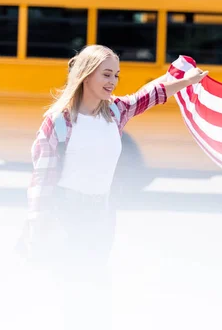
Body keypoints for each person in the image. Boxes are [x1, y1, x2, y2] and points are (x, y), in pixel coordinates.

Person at [23, 45, 208, 330]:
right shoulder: (59, 121)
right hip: (66, 214)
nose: (112, 81)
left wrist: (185, 81)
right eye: (106, 74)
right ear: (86, 76)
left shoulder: (115, 112)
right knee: (72, 293)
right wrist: (38, 229)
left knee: (97, 291)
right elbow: (41, 181)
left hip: (102, 214)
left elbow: (150, 96)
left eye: (116, 76)